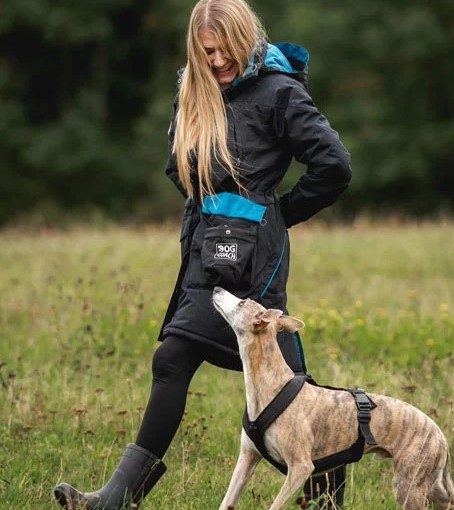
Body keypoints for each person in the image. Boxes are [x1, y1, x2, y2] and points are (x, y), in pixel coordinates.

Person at [53, 0, 352, 508]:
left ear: (246, 40)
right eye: (206, 51)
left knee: (256, 378)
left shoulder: (279, 92)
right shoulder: (192, 90)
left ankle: (324, 491)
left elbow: (334, 165)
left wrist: (275, 214)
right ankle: (119, 499)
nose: (216, 61)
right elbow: (178, 167)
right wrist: (214, 211)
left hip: (254, 259)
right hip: (203, 247)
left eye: (224, 50)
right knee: (189, 361)